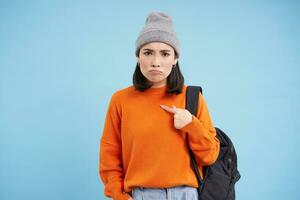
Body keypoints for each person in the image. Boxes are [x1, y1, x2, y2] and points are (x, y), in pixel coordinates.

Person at [99, 11, 220, 200]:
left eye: (165, 54)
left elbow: (210, 156)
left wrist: (191, 124)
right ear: (138, 56)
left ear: (175, 59)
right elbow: (110, 157)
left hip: (186, 195)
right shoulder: (121, 100)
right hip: (141, 195)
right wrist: (118, 195)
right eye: (148, 53)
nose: (156, 62)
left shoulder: (192, 98)